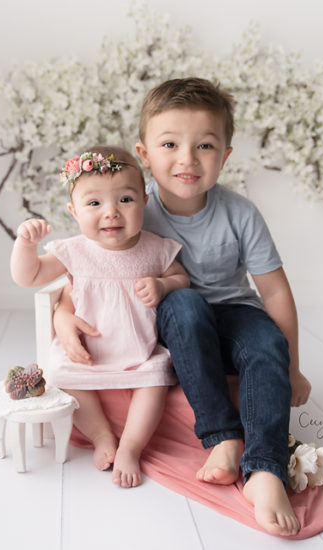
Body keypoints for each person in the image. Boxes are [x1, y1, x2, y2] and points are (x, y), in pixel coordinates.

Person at [53, 78, 312, 536]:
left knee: (264, 341)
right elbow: (83, 273)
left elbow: (273, 293)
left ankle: (266, 470)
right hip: (169, 319)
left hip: (233, 312)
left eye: (205, 146)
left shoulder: (240, 214)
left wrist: (292, 367)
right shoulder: (128, 206)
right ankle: (222, 437)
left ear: (226, 155)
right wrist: (62, 316)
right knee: (187, 303)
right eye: (170, 143)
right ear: (145, 154)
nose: (187, 159)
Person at [10, 146, 190, 488]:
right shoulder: (74, 251)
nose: (111, 213)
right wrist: (24, 245)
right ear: (73, 211)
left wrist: (164, 284)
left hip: (138, 352)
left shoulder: (154, 248)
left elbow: (183, 278)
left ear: (144, 201)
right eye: (94, 204)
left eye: (125, 200)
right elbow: (29, 277)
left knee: (155, 379)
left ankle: (132, 447)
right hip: (88, 353)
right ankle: (101, 435)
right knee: (61, 374)